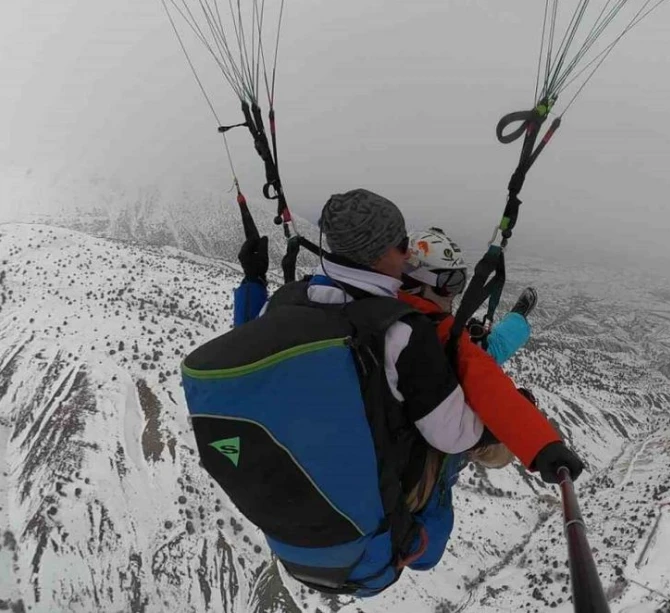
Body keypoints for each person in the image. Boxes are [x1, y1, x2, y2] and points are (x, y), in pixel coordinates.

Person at [190, 188, 584, 597]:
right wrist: (518, 427)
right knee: (468, 463)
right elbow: (455, 433)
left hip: (303, 513)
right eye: (402, 247)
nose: (407, 255)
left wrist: (253, 283)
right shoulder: (402, 332)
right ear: (379, 255)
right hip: (381, 538)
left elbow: (255, 355)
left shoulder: (290, 303)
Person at [401, 226, 538, 365]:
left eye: (460, 282)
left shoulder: (408, 320)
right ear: (415, 283)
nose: (454, 294)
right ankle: (518, 317)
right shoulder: (424, 346)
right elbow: (483, 365)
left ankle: (517, 318)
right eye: (451, 282)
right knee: (488, 353)